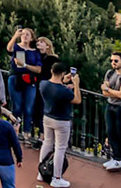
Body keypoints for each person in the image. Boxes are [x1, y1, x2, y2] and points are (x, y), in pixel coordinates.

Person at [37, 60, 82, 188]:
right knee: (60, 148)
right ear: (63, 73)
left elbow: (55, 88)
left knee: (47, 143)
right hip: (61, 120)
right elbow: (77, 100)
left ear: (52, 71)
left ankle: (42, 172)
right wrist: (76, 84)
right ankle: (56, 177)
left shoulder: (43, 84)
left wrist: (63, 82)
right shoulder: (64, 91)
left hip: (47, 117)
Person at [9, 28, 46, 141]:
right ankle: (13, 131)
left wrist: (24, 65)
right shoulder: (16, 47)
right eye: (23, 34)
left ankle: (26, 132)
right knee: (17, 106)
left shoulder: (34, 52)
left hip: (29, 81)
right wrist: (15, 36)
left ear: (31, 38)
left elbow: (38, 69)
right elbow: (9, 49)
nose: (25, 36)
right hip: (16, 78)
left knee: (29, 108)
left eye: (27, 34)